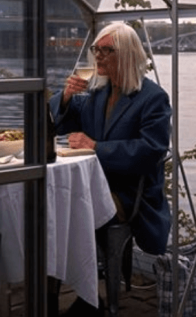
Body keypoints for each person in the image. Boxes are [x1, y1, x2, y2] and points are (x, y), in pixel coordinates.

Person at [50, 22, 172, 314]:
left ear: (128, 55)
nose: (99, 57)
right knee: (55, 206)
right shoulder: (98, 94)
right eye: (96, 50)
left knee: (72, 209)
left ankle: (89, 300)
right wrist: (65, 96)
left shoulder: (152, 98)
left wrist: (96, 147)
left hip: (130, 194)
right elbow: (59, 120)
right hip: (95, 185)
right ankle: (54, 294)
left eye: (107, 51)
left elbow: (152, 150)